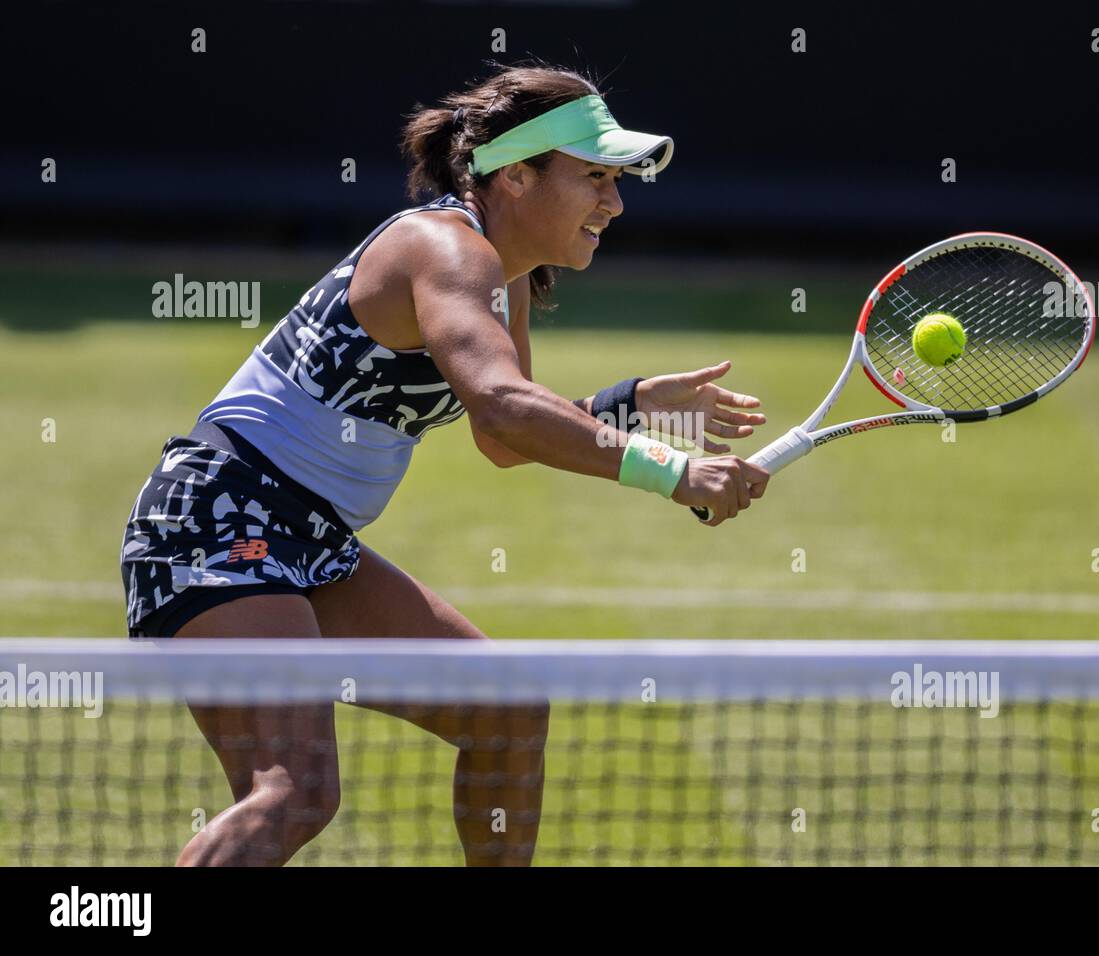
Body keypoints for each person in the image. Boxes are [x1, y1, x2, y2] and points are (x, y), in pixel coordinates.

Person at [119, 62, 769, 866]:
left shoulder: (509, 275)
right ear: (519, 176)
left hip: (309, 539)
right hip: (217, 523)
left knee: (505, 713)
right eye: (594, 176)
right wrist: (671, 471)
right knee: (296, 792)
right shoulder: (444, 248)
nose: (616, 201)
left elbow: (503, 436)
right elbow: (502, 407)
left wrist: (631, 401)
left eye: (617, 179)